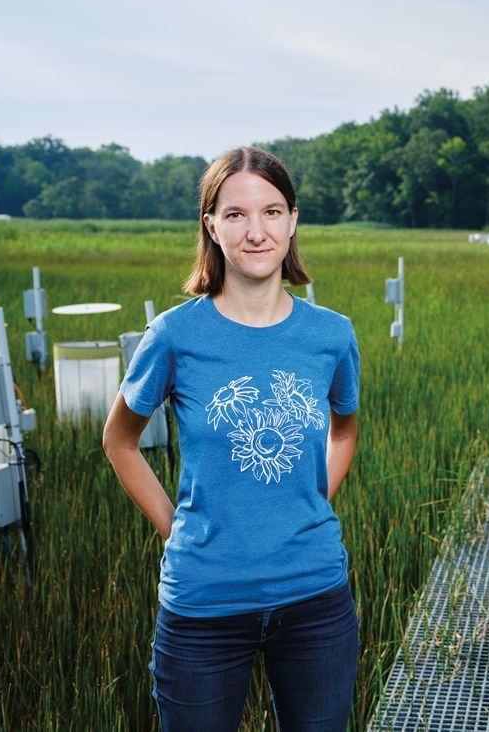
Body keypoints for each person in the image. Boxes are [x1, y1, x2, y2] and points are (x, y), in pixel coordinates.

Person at [103, 146, 360, 731]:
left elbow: (344, 431)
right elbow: (119, 441)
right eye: (236, 214)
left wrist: (315, 502)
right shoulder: (173, 334)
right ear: (211, 226)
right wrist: (177, 527)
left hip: (316, 602)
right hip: (203, 608)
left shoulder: (332, 336)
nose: (256, 231)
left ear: (293, 221)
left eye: (271, 212)